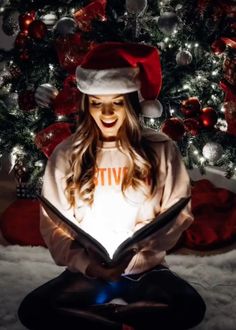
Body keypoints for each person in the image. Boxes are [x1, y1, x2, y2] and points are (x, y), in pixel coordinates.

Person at [18, 42, 206, 330]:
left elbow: (178, 214)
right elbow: (52, 227)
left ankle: (101, 319)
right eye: (96, 103)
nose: (106, 113)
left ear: (131, 103)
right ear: (86, 104)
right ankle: (124, 321)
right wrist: (90, 266)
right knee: (33, 309)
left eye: (116, 102)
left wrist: (135, 256)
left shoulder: (161, 149)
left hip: (145, 272)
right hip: (90, 274)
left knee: (191, 307)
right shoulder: (66, 155)